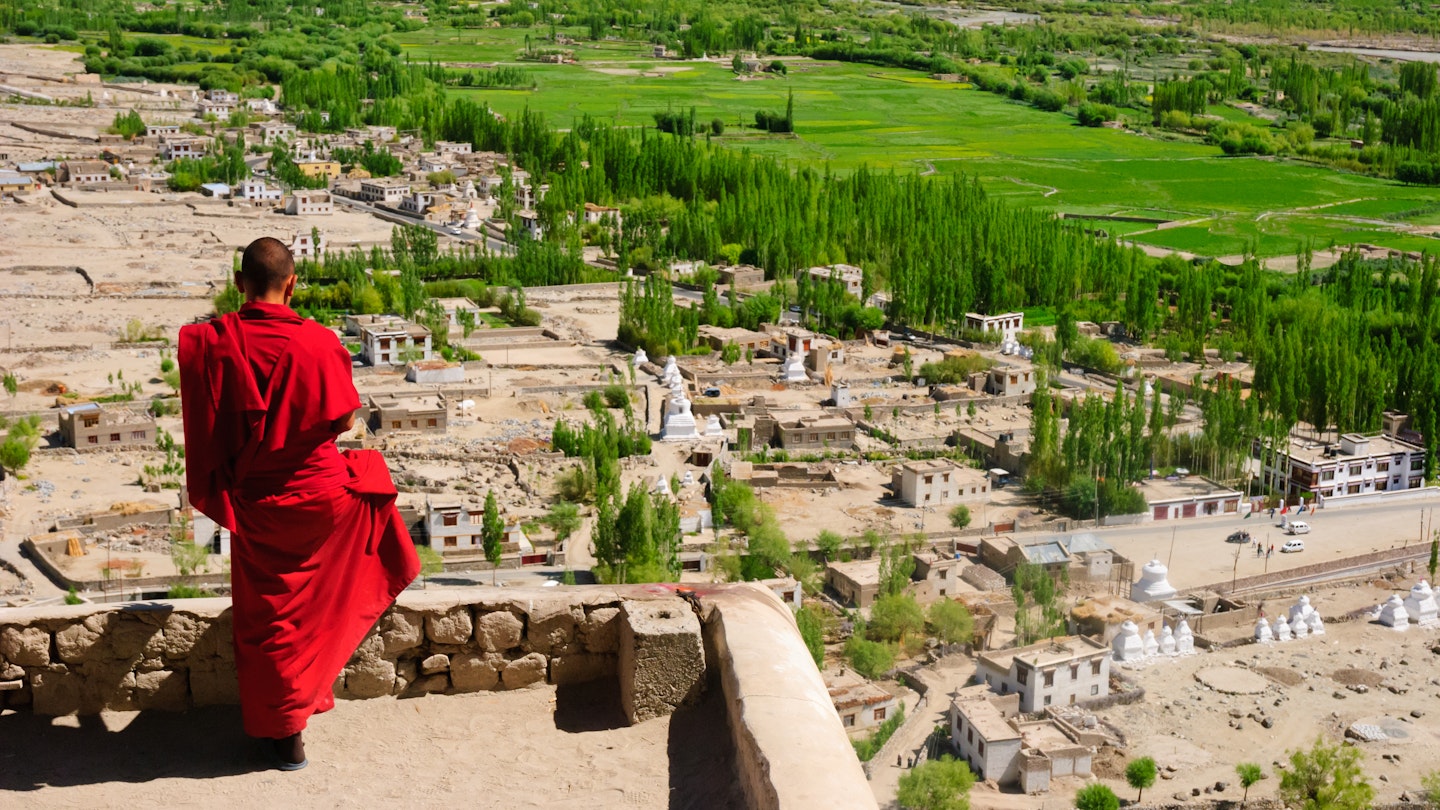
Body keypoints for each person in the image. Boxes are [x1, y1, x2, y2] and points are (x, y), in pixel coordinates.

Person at [179, 237, 419, 770]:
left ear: (239, 284)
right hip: (319, 502)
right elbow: (341, 423)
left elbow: (208, 424)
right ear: (293, 283)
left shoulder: (213, 342)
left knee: (267, 617)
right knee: (366, 508)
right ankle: (303, 704)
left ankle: (284, 732)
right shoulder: (319, 344)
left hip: (256, 505)